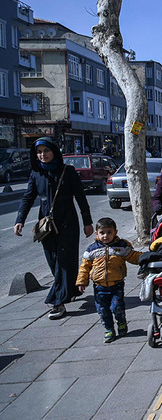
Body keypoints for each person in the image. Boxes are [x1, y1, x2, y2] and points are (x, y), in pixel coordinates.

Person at [14, 137, 93, 319]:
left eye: (46, 151)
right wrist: (20, 220)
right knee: (53, 260)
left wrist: (87, 222)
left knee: (64, 260)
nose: (43, 155)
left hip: (67, 223)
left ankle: (58, 302)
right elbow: (28, 198)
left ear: (54, 152)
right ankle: (70, 288)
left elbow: (81, 198)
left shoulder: (68, 171)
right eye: (39, 152)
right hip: (47, 226)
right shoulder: (36, 174)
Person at [76, 218, 142, 343]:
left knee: (117, 307)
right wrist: (81, 281)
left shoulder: (121, 246)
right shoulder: (91, 249)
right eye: (102, 233)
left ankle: (121, 322)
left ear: (115, 232)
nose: (105, 236)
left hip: (116, 285)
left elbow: (133, 256)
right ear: (97, 233)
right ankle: (109, 330)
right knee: (102, 310)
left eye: (109, 232)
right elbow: (84, 267)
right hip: (99, 287)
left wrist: (145, 258)